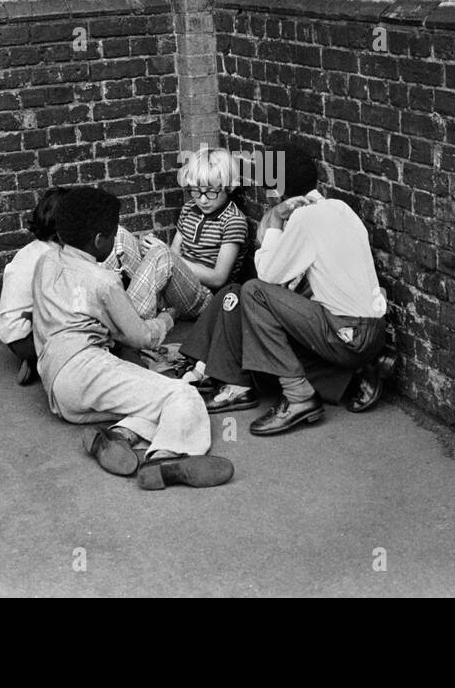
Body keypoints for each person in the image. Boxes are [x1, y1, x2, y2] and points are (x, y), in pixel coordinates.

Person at [180, 140, 389, 436]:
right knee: (269, 355)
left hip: (346, 333)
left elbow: (267, 277)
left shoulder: (303, 218)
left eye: (266, 187)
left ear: (276, 190)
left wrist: (276, 219)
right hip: (369, 333)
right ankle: (353, 373)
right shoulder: (340, 208)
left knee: (252, 293)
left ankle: (299, 397)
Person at [31, 186, 234, 490]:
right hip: (87, 371)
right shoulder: (103, 281)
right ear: (99, 241)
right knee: (182, 395)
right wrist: (169, 317)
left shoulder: (45, 262)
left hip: (56, 387)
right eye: (113, 236)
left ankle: (116, 438)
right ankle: (167, 460)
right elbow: (142, 338)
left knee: (152, 400)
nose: (115, 241)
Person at [107, 146, 248, 321]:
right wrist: (150, 249)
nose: (202, 199)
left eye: (211, 192)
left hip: (203, 298)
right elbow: (173, 254)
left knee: (162, 255)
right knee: (118, 235)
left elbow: (218, 278)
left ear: (228, 187)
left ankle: (127, 324)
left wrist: (165, 253)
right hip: (174, 289)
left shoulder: (233, 221)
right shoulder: (189, 209)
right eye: (196, 191)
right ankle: (101, 307)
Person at [0, 188, 66, 385]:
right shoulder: (52, 258)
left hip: (12, 336)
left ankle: (32, 360)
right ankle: (43, 360)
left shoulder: (31, 250)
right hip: (27, 337)